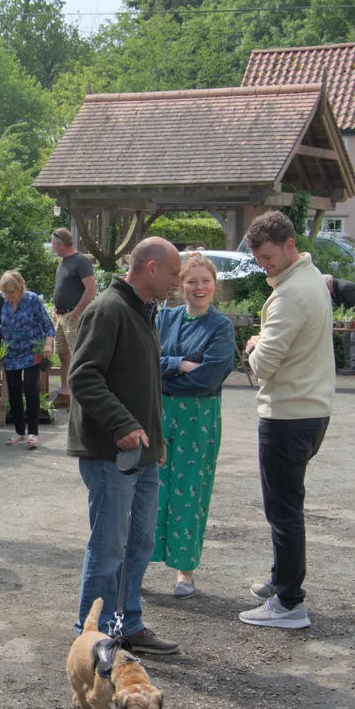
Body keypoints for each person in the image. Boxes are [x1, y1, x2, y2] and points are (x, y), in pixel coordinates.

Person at [68, 236, 184, 655]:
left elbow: (139, 384)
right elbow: (82, 377)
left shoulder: (142, 312)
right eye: (173, 273)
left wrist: (154, 439)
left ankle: (127, 624)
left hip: (140, 453)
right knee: (109, 546)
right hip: (110, 454)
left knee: (139, 543)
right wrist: (123, 424)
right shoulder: (109, 310)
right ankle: (91, 636)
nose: (177, 281)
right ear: (151, 268)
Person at [241, 212, 333, 629]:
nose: (263, 264)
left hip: (288, 414)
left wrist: (254, 346)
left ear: (288, 245)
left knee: (283, 511)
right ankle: (282, 581)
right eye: (259, 258)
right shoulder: (311, 279)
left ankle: (290, 603)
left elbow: (264, 366)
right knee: (286, 508)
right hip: (311, 410)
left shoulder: (289, 294)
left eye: (267, 255)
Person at [154, 253, 236, 599]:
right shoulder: (164, 318)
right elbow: (147, 362)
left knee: (189, 491)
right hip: (158, 412)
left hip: (199, 417)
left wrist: (168, 372)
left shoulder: (221, 326)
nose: (199, 287)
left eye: (205, 281)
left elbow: (209, 378)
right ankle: (141, 561)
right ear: (180, 285)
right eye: (192, 281)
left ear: (214, 284)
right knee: (150, 489)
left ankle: (184, 574)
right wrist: (180, 363)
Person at [0, 270, 56, 449]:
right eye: (5, 292)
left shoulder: (32, 299)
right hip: (10, 351)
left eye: (11, 292)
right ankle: (19, 431)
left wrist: (48, 345)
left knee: (31, 387)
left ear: (20, 287)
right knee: (15, 390)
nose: (8, 296)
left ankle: (33, 432)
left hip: (32, 349)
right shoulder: (0, 299)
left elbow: (48, 326)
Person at [51, 228, 96, 406]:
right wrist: (55, 306)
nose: (52, 247)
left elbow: (91, 288)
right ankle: (65, 393)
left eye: (53, 244)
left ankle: (80, 397)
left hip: (73, 316)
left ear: (61, 244)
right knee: (63, 355)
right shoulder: (63, 261)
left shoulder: (80, 261)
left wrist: (77, 311)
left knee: (78, 355)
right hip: (61, 316)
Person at [325, 273, 355, 375]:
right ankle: (350, 364)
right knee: (346, 336)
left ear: (330, 283)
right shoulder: (333, 290)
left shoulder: (345, 288)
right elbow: (342, 308)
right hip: (349, 316)